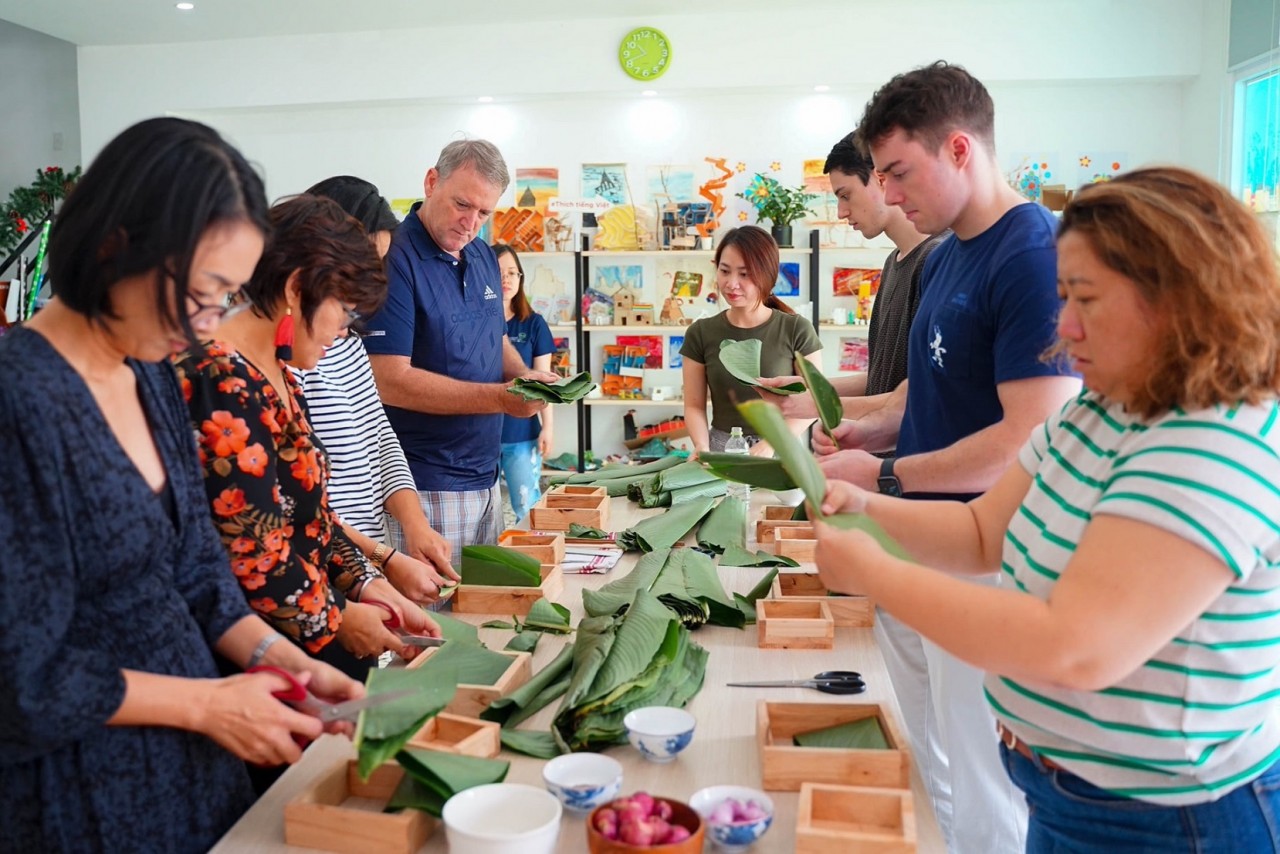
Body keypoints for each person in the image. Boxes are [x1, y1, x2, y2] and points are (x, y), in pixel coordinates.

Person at [814, 166, 1280, 852]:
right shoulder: (1106, 407)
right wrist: (867, 507)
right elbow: (980, 531)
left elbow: (1073, 646)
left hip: (1170, 820)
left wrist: (875, 570)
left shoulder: (1212, 443)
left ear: (1181, 298)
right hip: (1069, 796)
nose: (1062, 326)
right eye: (1062, 295)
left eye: (1085, 298)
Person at [0, 117, 362, 852]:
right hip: (78, 791)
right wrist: (204, 705)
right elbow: (21, 677)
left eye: (224, 300)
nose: (204, 328)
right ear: (114, 245)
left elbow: (199, 572)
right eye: (200, 295)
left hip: (194, 768)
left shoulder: (151, 374)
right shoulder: (21, 400)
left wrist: (286, 663)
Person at [816, 62, 1083, 854]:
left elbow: (1024, 437)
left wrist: (887, 477)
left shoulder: (1031, 254)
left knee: (985, 775)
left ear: (960, 149)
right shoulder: (946, 253)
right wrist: (870, 434)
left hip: (988, 557)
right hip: (919, 542)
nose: (889, 196)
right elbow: (920, 392)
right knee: (931, 751)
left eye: (898, 172)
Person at [175, 194, 441, 683]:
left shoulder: (280, 372)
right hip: (261, 656)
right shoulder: (219, 379)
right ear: (298, 288)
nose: (343, 332)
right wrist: (336, 616)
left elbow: (309, 513)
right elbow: (251, 550)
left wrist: (365, 583)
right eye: (343, 311)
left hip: (311, 627)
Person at [363, 140, 559, 565]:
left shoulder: (483, 254)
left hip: (485, 476)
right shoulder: (394, 258)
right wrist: (500, 398)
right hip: (424, 482)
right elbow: (388, 380)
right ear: (432, 182)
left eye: (484, 213)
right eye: (462, 205)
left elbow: (495, 337)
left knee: (480, 616)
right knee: (436, 625)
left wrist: (526, 376)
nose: (471, 224)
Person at [295, 175, 459, 602]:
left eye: (378, 263)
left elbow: (380, 437)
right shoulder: (292, 352)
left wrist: (415, 524)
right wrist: (385, 559)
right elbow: (300, 498)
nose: (369, 279)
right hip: (323, 567)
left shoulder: (349, 340)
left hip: (364, 561)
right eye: (363, 260)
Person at [760, 130, 947, 423]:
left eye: (845, 195)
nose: (841, 212)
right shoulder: (893, 262)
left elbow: (924, 396)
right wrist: (806, 389)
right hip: (883, 459)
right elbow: (882, 381)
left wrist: (814, 406)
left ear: (880, 178)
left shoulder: (937, 259)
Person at [681, 225, 822, 456]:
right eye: (725, 271)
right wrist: (701, 446)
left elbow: (817, 401)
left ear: (767, 275)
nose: (731, 283)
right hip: (722, 451)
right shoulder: (700, 332)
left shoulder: (796, 328)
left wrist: (770, 445)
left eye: (744, 274)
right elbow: (694, 405)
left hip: (782, 450)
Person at [494, 243, 554, 521]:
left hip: (522, 434)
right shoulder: (472, 322)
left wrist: (548, 427)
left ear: (520, 279)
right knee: (486, 512)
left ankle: (534, 561)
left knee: (526, 506)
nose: (505, 280)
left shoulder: (534, 324)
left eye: (512, 273)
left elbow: (544, 383)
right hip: (480, 435)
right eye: (497, 272)